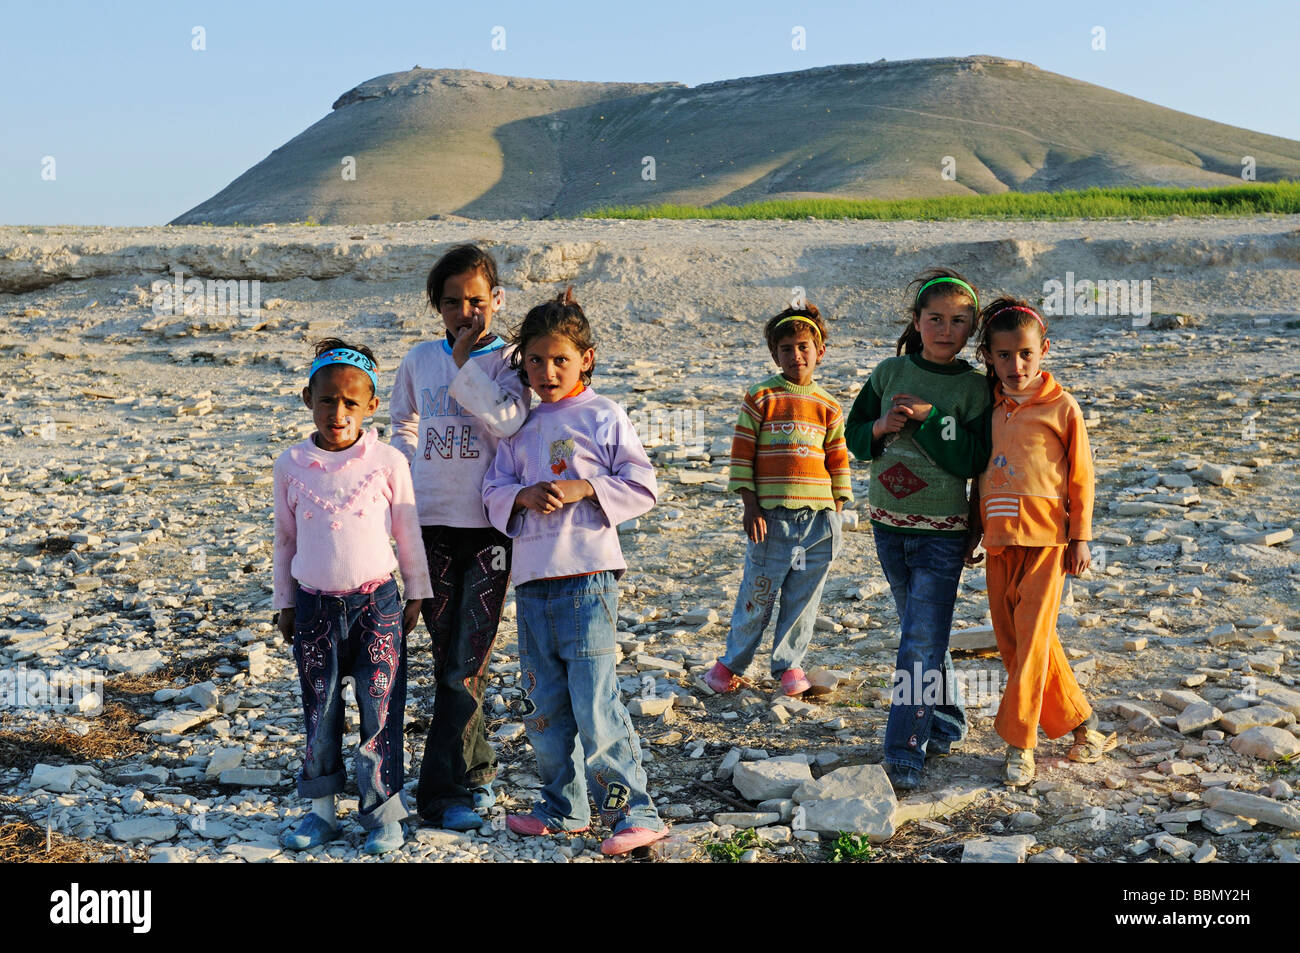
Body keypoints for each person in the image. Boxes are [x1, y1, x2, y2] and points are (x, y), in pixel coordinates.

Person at [482, 287, 667, 857]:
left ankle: (636, 811)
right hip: (533, 582)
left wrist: (585, 487)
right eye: (535, 360)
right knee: (544, 702)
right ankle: (566, 808)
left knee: (595, 700)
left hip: (589, 578)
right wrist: (522, 495)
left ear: (585, 357)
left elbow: (643, 485)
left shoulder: (603, 414)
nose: (547, 371)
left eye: (560, 359)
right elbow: (492, 490)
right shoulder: (518, 428)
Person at [390, 244, 531, 831]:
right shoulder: (420, 359)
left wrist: (470, 364)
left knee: (465, 663)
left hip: (492, 531)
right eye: (452, 302)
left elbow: (510, 422)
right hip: (432, 528)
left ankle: (439, 789)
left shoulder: (512, 363)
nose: (465, 312)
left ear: (496, 300)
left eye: (477, 300)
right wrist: (403, 480)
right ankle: (476, 774)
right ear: (437, 306)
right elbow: (402, 422)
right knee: (447, 659)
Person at [273, 339, 432, 855]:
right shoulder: (292, 464)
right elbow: (285, 540)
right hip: (315, 607)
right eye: (326, 400)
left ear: (370, 405)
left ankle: (383, 813)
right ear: (306, 399)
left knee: (380, 707)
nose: (337, 413)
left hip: (378, 607)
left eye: (349, 402)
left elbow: (408, 532)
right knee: (319, 710)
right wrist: (285, 602)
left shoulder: (387, 462)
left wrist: (417, 593)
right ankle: (321, 812)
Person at [844, 269, 990, 791]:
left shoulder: (975, 389)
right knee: (919, 631)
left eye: (958, 321)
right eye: (935, 319)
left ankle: (905, 748)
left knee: (920, 638)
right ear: (917, 321)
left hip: (943, 531)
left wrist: (930, 422)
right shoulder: (888, 373)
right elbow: (853, 437)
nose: (946, 330)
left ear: (972, 329)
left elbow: (974, 457)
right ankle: (947, 717)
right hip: (886, 523)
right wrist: (880, 428)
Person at [969, 298, 1116, 787]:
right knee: (1016, 643)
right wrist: (974, 528)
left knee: (1032, 639)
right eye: (1005, 355)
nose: (1017, 366)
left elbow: (1082, 477)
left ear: (1044, 351)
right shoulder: (984, 405)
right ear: (988, 355)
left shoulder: (1061, 406)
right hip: (998, 538)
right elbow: (978, 474)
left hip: (1049, 540)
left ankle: (1020, 744)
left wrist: (1081, 536)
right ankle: (1084, 725)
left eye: (1026, 354)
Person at [705, 303, 852, 697]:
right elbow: (742, 455)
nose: (795, 355)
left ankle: (789, 667)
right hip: (772, 518)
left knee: (804, 597)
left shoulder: (829, 406)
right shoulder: (761, 396)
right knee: (759, 591)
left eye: (803, 346)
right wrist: (750, 506)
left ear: (820, 351)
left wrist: (838, 508)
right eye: (786, 348)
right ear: (775, 355)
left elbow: (838, 459)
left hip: (819, 521)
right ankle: (729, 665)